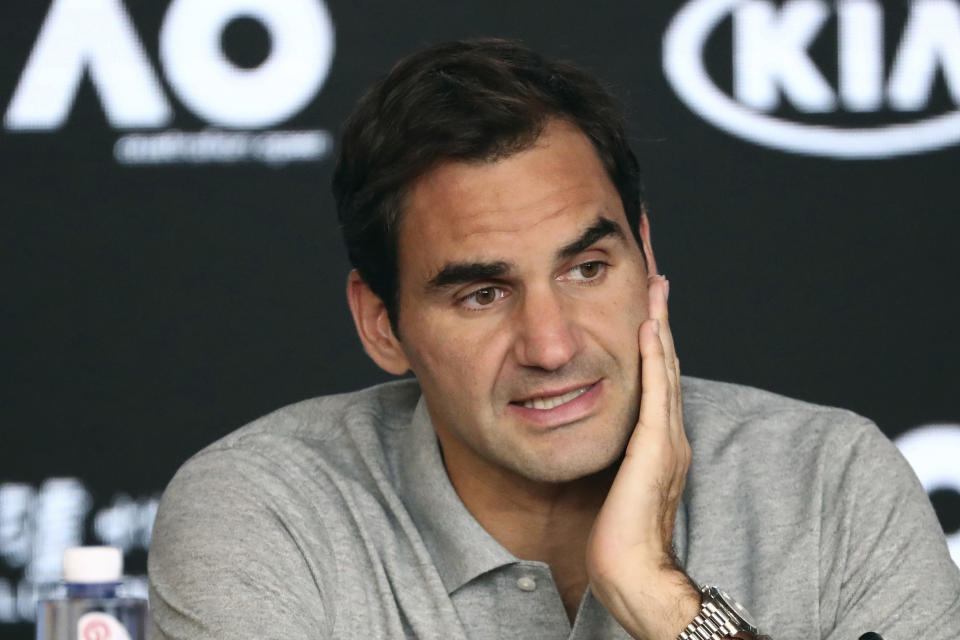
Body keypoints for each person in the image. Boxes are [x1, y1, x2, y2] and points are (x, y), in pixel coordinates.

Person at [147, 39, 960, 640]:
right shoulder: (265, 512)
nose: (550, 344)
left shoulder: (831, 483)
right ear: (381, 323)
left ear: (646, 255)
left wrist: (657, 594)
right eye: (482, 293)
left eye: (586, 269)